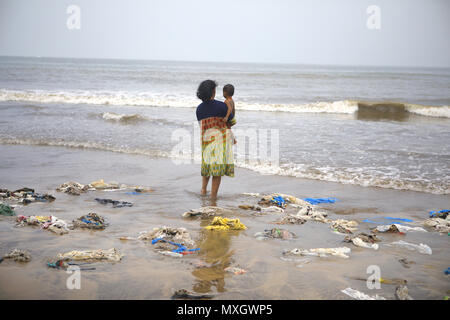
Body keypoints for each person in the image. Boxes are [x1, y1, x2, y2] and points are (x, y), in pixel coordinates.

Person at [196, 80, 235, 199]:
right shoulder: (222, 106)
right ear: (213, 92)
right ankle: (213, 198)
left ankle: (203, 190)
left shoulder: (199, 109)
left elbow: (201, 125)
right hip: (219, 142)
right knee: (217, 172)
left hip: (206, 141)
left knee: (207, 168)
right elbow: (232, 122)